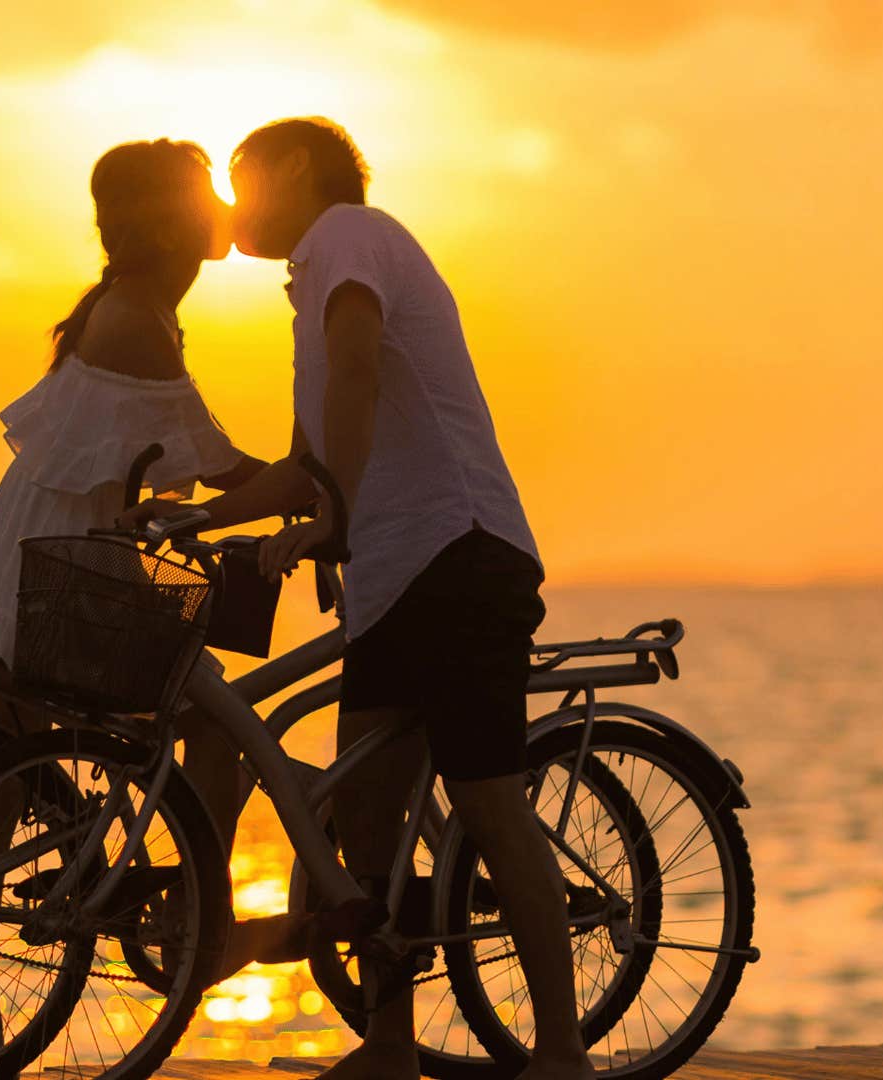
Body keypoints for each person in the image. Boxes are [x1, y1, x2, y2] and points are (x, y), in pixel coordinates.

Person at [122, 117, 594, 1080]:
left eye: (243, 177)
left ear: (297, 167)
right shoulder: (315, 287)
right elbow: (306, 465)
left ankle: (561, 1054)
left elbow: (361, 369)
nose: (232, 203)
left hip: (459, 552)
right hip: (393, 578)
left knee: (488, 802)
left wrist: (329, 510)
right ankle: (387, 1048)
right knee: (371, 819)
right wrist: (192, 527)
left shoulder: (346, 234)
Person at [0, 137, 265, 1057]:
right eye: (209, 192)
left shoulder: (123, 309)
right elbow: (218, 460)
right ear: (169, 219)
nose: (224, 206)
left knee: (1, 774)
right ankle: (198, 914)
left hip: (32, 557)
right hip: (72, 574)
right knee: (219, 728)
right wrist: (325, 486)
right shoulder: (139, 322)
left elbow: (148, 461)